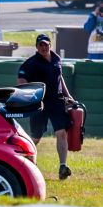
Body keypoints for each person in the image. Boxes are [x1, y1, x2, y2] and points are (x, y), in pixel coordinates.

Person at [17, 34, 75, 180]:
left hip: (57, 101)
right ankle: (25, 165)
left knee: (61, 133)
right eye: (41, 45)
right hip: (40, 103)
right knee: (36, 137)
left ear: (50, 45)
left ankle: (63, 166)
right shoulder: (30, 63)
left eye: (46, 44)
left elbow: (59, 78)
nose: (44, 47)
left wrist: (68, 96)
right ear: (36, 47)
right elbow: (21, 80)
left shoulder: (56, 59)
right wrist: (29, 97)